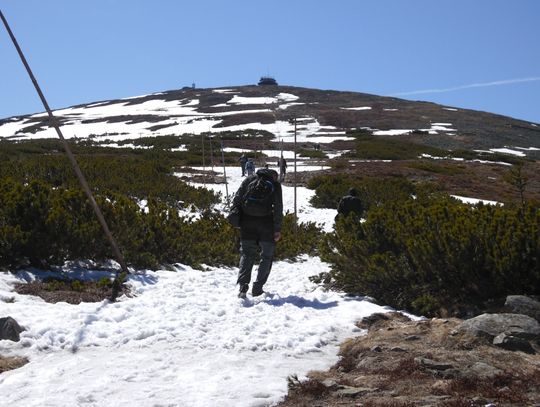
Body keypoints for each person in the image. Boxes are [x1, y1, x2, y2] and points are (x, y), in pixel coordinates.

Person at [232, 168, 283, 298]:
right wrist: (277, 229)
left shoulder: (249, 180)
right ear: (273, 176)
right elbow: (278, 207)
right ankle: (258, 288)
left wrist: (238, 219)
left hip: (247, 222)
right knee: (267, 256)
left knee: (247, 254)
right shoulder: (275, 185)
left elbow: (237, 199)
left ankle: (243, 286)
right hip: (266, 224)